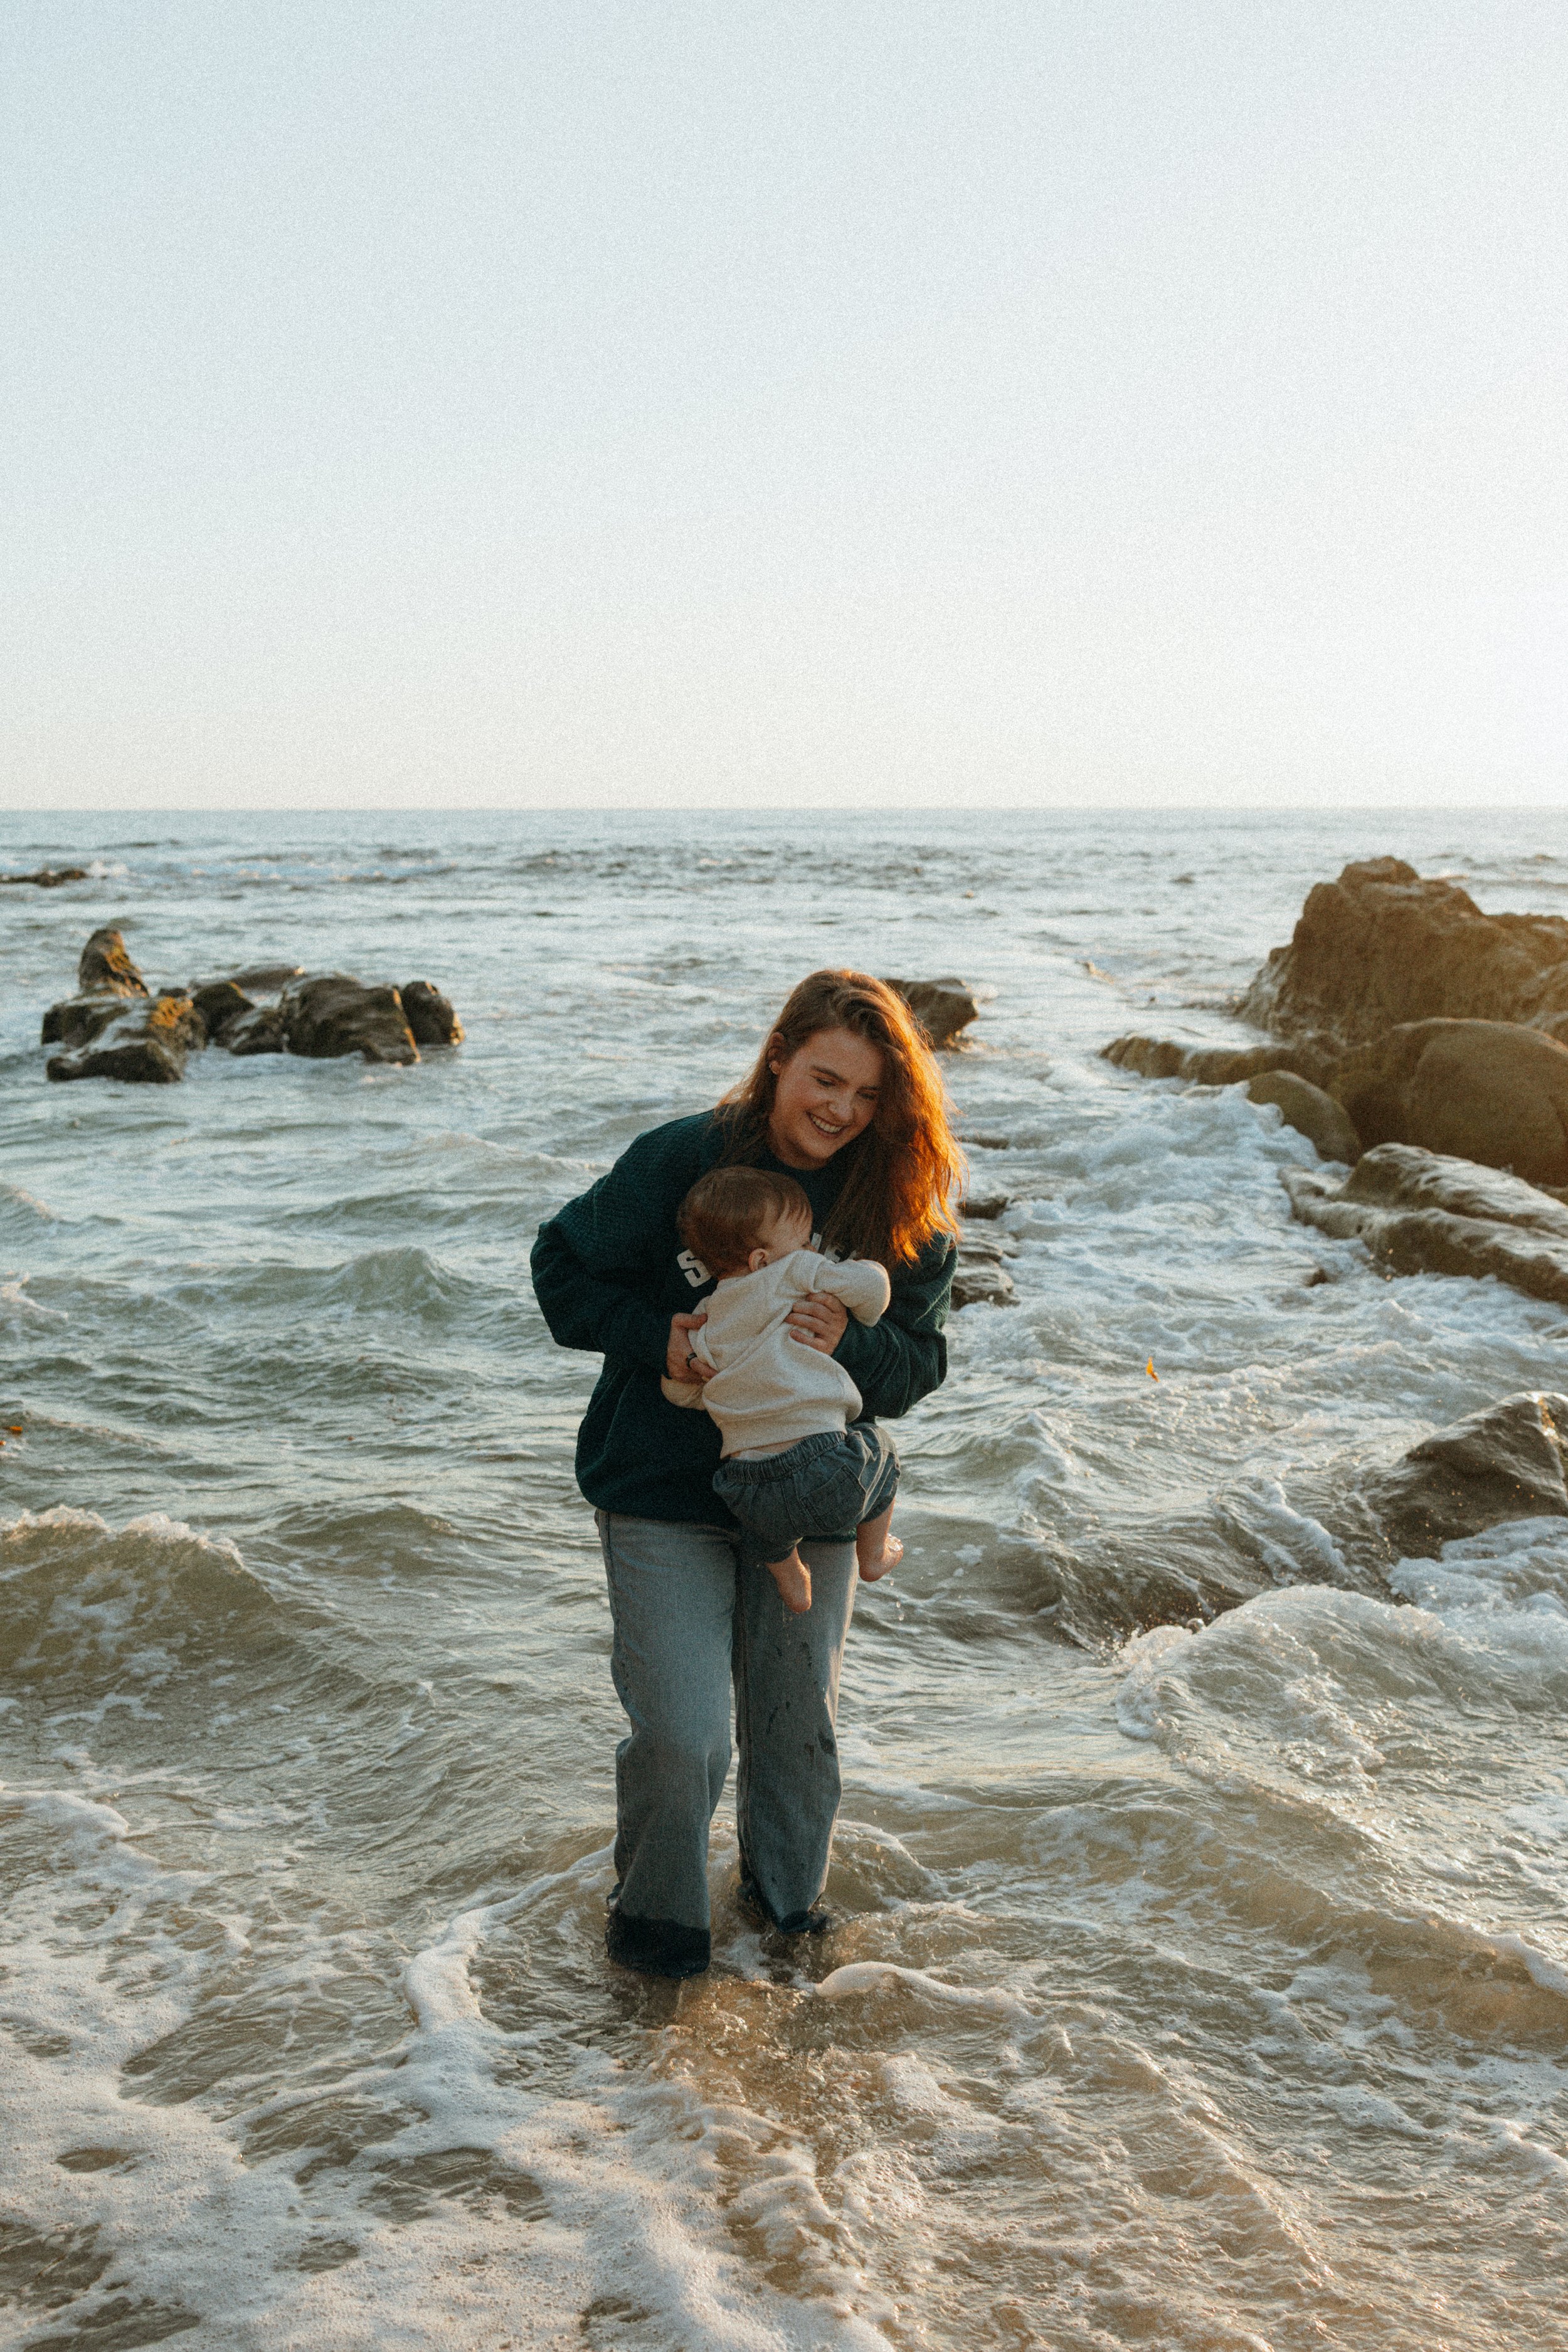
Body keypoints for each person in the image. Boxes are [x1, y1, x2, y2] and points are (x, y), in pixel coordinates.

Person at [530, 969, 961, 1981]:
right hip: (660, 1496)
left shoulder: (897, 1199)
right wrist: (658, 1339)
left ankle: (784, 1940)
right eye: (824, 1079)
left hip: (809, 1494)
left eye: (868, 1097)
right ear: (779, 1056)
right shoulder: (686, 1158)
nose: (841, 1112)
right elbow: (561, 1268)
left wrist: (846, 1346)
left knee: (795, 1738)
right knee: (684, 1743)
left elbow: (920, 1365)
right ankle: (655, 1954)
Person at [660, 1164, 904, 1614]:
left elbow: (683, 1394)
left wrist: (677, 1375)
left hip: (744, 1487)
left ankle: (791, 1579)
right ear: (760, 1261)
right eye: (805, 1240)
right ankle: (873, 1555)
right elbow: (873, 1289)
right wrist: (856, 1284)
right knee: (882, 1450)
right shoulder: (793, 1271)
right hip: (824, 1462)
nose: (812, 1247)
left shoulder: (706, 1317)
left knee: (767, 1534)